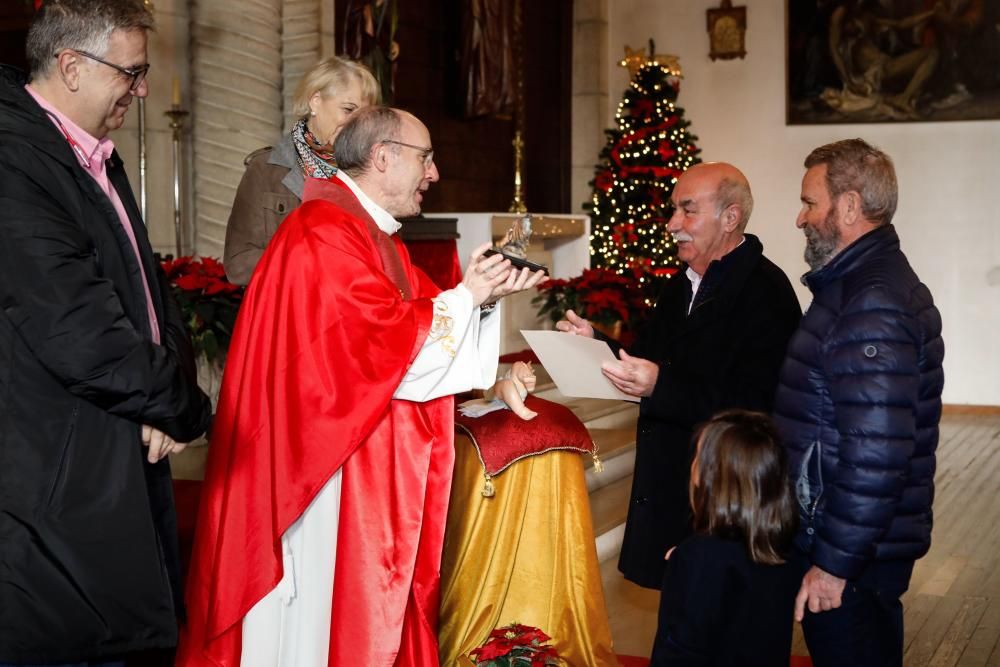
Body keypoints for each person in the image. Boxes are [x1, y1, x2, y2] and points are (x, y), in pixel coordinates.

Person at [177, 106, 546, 667]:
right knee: (313, 626)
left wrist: (486, 307)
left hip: (345, 460)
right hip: (315, 473)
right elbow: (378, 347)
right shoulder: (323, 231)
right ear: (382, 157)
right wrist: (469, 296)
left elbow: (413, 330)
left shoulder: (370, 234)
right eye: (425, 158)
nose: (434, 174)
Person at [0, 1, 213, 664]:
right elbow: (78, 330)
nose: (143, 88)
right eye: (133, 71)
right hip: (52, 483)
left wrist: (170, 386)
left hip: (110, 456)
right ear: (70, 66)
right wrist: (185, 406)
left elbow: (151, 296)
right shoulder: (14, 161)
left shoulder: (91, 154)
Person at [557, 162, 801, 589]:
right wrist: (595, 343)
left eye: (688, 211)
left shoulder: (766, 292)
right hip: (677, 486)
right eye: (674, 211)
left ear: (730, 217)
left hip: (731, 499)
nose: (672, 225)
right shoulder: (681, 285)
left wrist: (658, 385)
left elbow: (757, 406)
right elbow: (650, 363)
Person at [774, 138, 944, 667]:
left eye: (809, 202)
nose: (800, 217)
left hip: (851, 553)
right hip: (851, 540)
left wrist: (833, 564)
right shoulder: (857, 286)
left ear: (848, 207)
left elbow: (876, 456)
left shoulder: (871, 301)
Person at [650, 410, 799, 666]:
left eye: (698, 454)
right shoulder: (780, 545)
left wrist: (688, 567)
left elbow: (683, 648)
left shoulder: (699, 555)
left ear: (708, 476)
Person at [223, 55, 379, 284]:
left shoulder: (368, 172)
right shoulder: (266, 169)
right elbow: (237, 265)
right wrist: (313, 262)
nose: (355, 124)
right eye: (348, 110)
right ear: (315, 101)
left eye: (363, 116)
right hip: (286, 311)